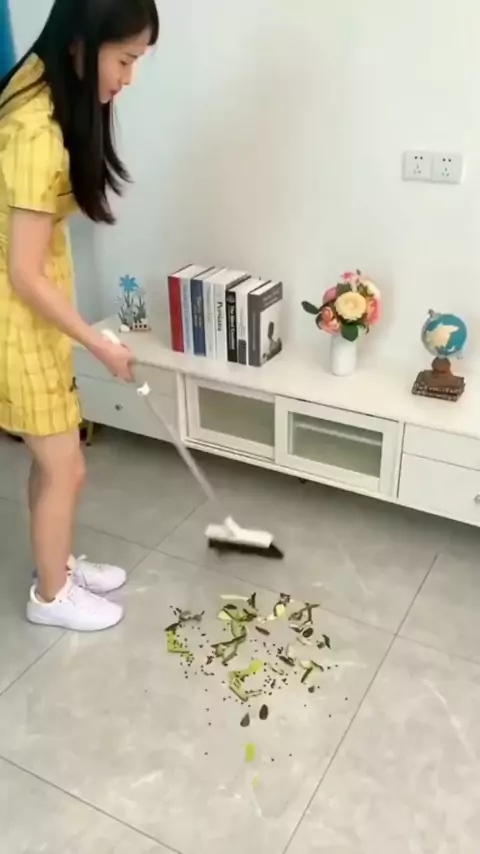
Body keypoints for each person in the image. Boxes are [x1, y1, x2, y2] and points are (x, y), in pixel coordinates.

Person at [0, 0, 159, 631]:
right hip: (16, 321)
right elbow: (23, 272)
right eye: (125, 60)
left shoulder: (44, 86)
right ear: (82, 44)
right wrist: (98, 342)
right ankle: (51, 595)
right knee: (66, 464)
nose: (129, 78)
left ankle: (55, 564)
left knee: (54, 462)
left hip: (35, 314)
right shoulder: (34, 129)